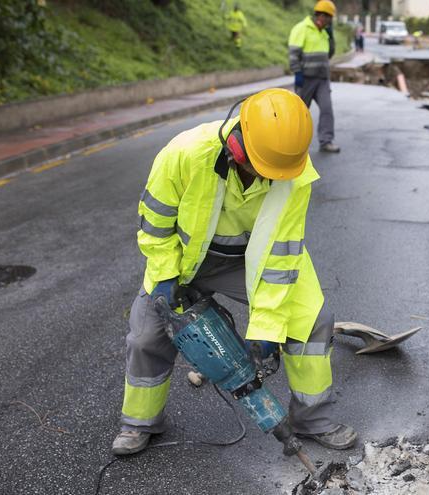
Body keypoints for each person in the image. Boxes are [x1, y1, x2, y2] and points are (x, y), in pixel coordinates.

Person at [111, 88, 357, 456]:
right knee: (147, 335)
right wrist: (165, 278)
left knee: (310, 320)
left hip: (253, 259)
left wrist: (266, 330)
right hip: (185, 260)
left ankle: (312, 418)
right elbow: (155, 226)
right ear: (238, 145)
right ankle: (139, 422)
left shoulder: (293, 170)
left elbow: (280, 254)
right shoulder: (184, 154)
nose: (270, 178)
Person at [288, 0, 341, 153]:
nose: (329, 22)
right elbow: (293, 54)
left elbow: (329, 54)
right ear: (321, 16)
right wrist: (297, 73)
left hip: (322, 79)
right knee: (300, 113)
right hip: (305, 79)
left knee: (327, 110)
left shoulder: (325, 32)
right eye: (329, 18)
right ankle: (291, 143)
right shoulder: (301, 28)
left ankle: (326, 141)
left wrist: (331, 38)